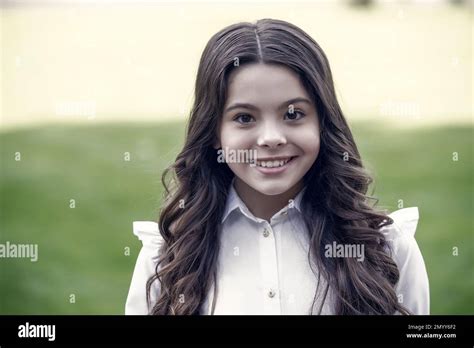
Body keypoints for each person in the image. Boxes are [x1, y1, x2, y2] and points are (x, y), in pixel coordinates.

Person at [125, 18, 429, 315]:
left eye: (293, 114)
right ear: (214, 133)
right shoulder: (166, 258)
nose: (271, 138)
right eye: (244, 118)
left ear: (322, 123)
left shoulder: (385, 248)